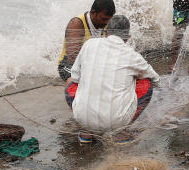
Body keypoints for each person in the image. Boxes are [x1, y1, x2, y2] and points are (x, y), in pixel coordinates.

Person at [65, 15, 160, 143]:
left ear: (106, 32)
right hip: (116, 122)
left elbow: (75, 76)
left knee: (70, 82)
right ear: (127, 37)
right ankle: (121, 134)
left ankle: (86, 132)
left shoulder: (89, 44)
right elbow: (155, 78)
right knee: (146, 82)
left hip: (82, 117)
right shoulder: (132, 55)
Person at [57, 0, 114, 81]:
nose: (106, 23)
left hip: (93, 63)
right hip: (69, 64)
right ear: (93, 13)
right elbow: (73, 57)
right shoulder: (77, 24)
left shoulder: (107, 24)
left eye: (109, 20)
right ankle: (71, 93)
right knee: (74, 79)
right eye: (103, 19)